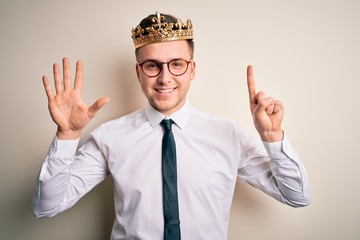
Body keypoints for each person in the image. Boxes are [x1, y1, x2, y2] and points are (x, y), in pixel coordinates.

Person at [33, 12, 311, 240]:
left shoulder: (229, 135)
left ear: (192, 69)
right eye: (153, 65)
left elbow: (297, 196)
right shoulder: (110, 137)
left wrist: (273, 137)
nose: (165, 78)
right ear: (138, 72)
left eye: (176, 64)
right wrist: (67, 135)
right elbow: (47, 206)